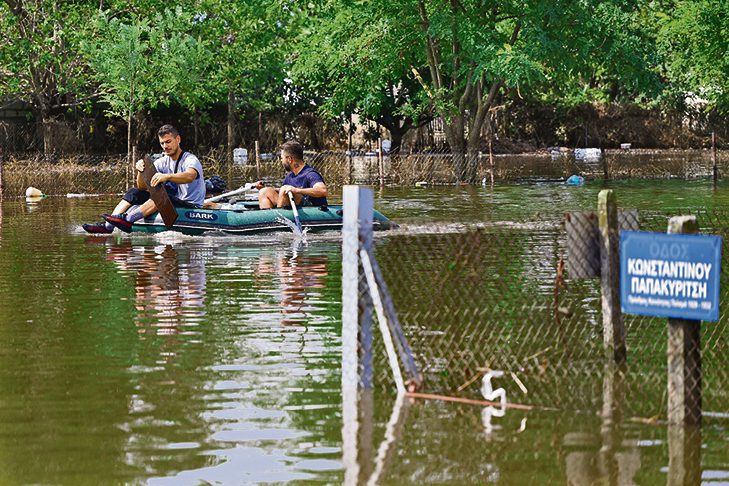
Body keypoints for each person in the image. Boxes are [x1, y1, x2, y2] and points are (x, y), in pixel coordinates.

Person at [83, 124, 205, 234]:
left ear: (178, 140)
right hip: (172, 201)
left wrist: (167, 176)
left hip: (190, 205)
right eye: (162, 143)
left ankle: (128, 220)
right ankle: (108, 226)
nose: (165, 146)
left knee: (161, 196)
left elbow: (190, 176)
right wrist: (141, 172)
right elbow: (142, 187)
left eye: (168, 142)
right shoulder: (162, 162)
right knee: (133, 192)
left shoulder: (190, 159)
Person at [255, 140, 328, 209]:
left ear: (289, 159)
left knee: (285, 189)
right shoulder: (290, 176)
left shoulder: (310, 174)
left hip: (312, 210)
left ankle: (279, 219)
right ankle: (268, 220)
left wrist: (296, 190)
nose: (281, 161)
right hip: (293, 206)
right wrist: (266, 188)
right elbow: (283, 193)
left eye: (282, 158)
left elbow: (323, 191)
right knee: (264, 191)